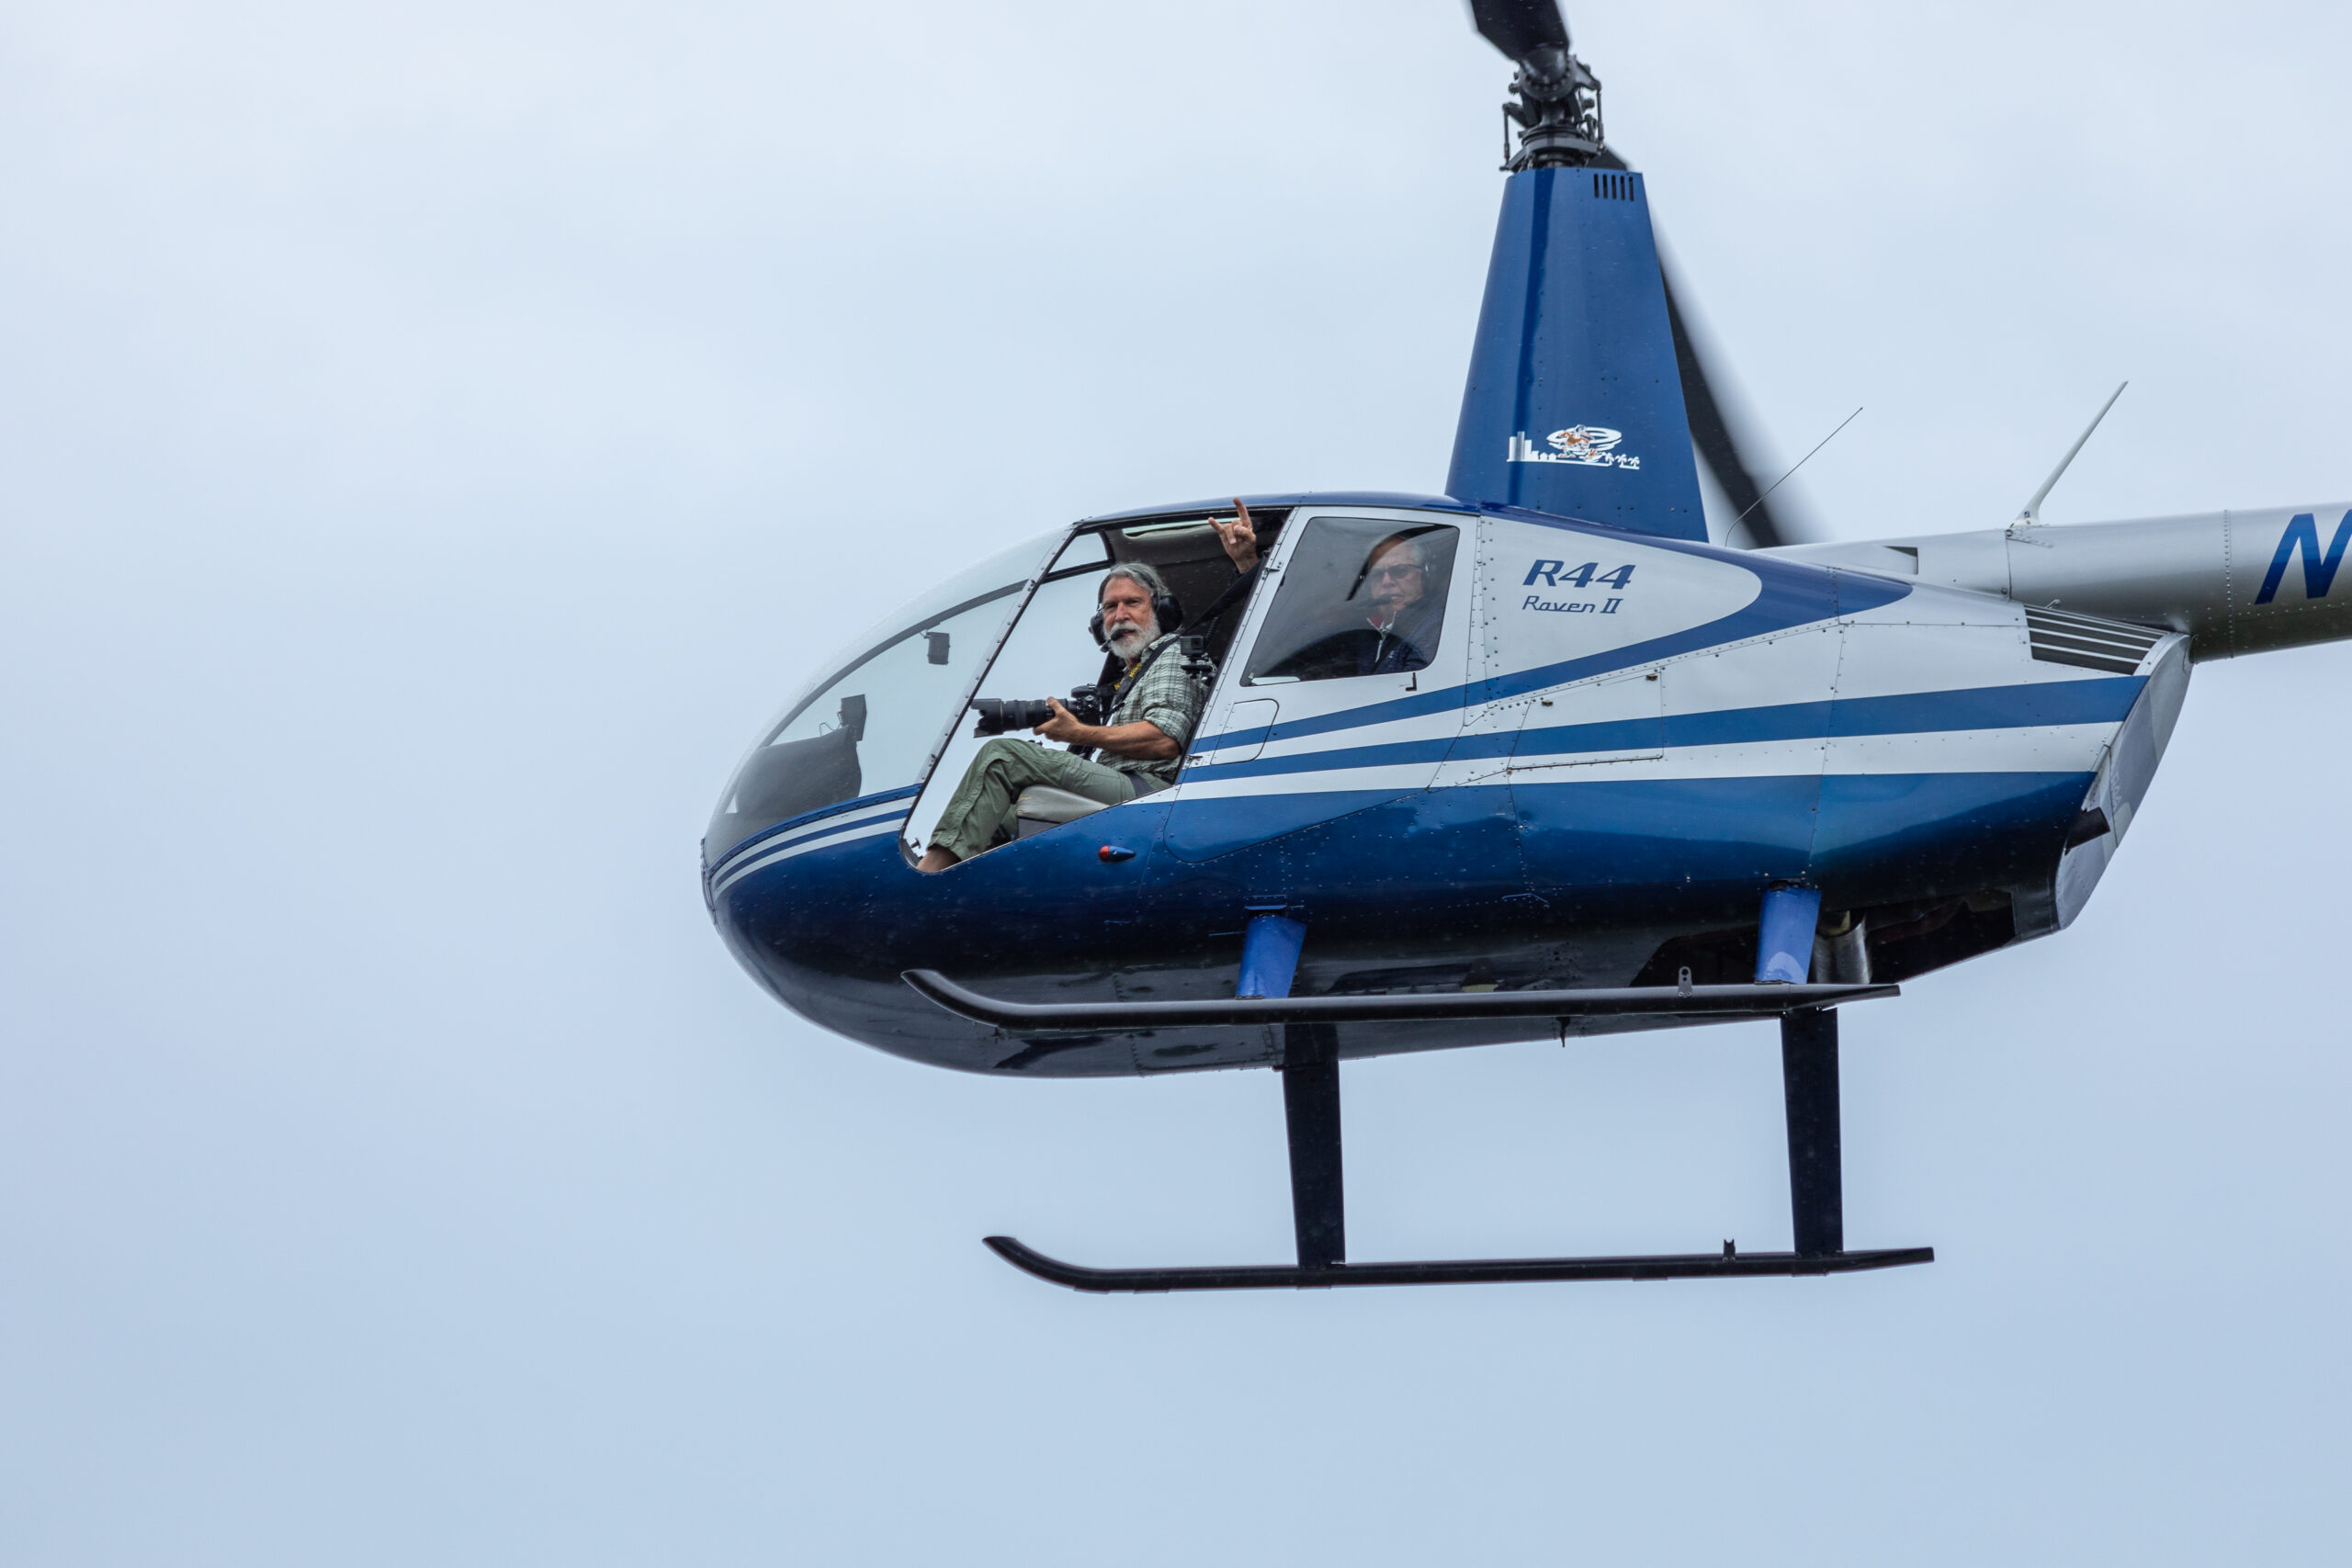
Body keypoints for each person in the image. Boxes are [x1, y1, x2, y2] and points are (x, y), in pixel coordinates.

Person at [916, 563, 1211, 873]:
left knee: (1002, 757)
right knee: (996, 814)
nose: (1120, 615)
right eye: (1110, 607)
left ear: (1161, 610)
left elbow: (1163, 740)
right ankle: (960, 883)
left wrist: (1078, 732)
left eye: (1133, 602)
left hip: (1152, 790)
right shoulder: (1134, 673)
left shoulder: (1173, 654)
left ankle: (927, 874)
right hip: (1131, 785)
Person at [1261, 529, 1443, 680]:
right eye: (1377, 574)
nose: (1387, 582)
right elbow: (1284, 659)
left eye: (1400, 571)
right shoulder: (1362, 630)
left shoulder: (1435, 627)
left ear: (1426, 575)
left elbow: (1408, 693)